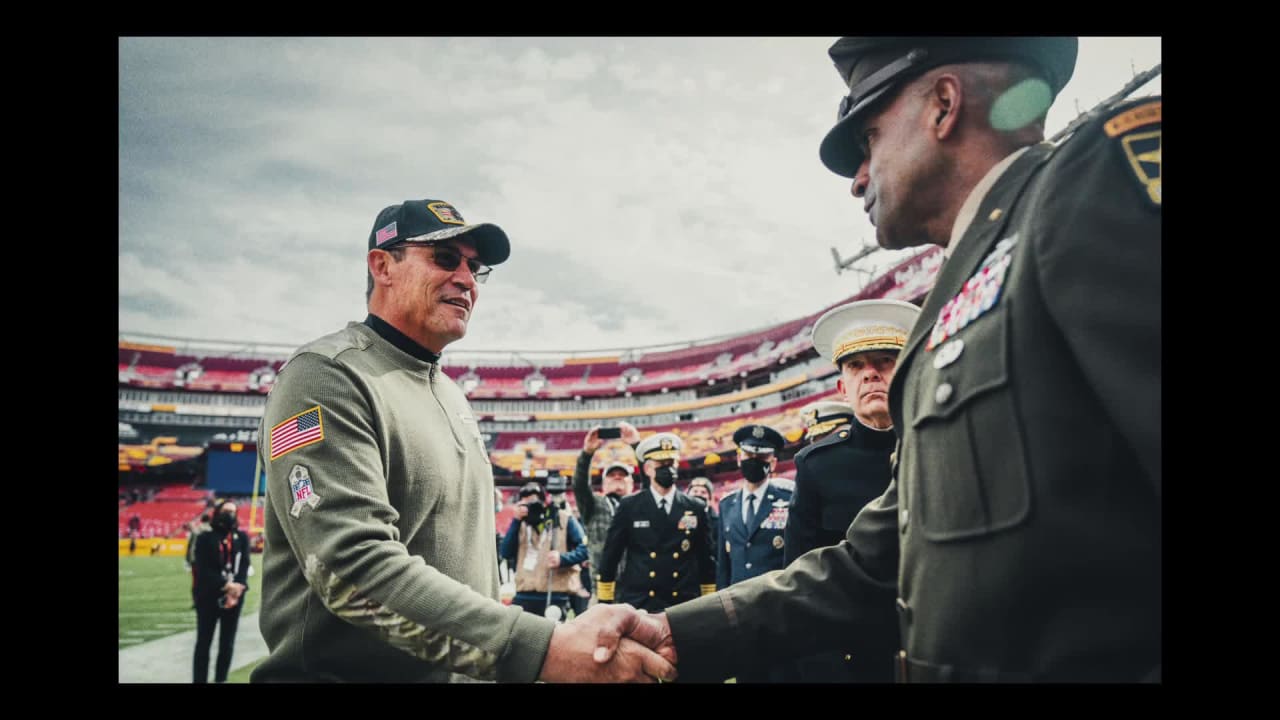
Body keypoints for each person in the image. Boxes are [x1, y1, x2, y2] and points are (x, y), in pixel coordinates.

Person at [598, 36, 1161, 683]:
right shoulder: (953, 301)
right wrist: (677, 632)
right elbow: (880, 561)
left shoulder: (1093, 187)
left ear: (943, 106)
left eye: (866, 140)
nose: (858, 179)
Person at [251, 198, 674, 683]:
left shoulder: (451, 394)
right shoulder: (327, 377)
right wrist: (541, 648)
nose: (468, 280)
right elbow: (350, 566)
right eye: (445, 259)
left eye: (476, 268)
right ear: (382, 265)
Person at [782, 300, 920, 682]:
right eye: (857, 366)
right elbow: (799, 577)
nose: (870, 374)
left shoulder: (942, 444)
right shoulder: (817, 466)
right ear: (844, 387)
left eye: (884, 361)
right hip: (853, 661)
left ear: (909, 372)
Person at [596, 432, 715, 613]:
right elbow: (611, 556)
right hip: (641, 603)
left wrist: (708, 600)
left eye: (671, 463)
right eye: (661, 464)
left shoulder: (695, 507)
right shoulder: (630, 506)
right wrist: (605, 600)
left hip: (683, 603)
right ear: (648, 469)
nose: (668, 469)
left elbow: (706, 559)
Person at [713, 424, 792, 683]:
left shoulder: (789, 498)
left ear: (773, 462)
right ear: (739, 457)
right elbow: (724, 565)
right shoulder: (727, 504)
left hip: (777, 611)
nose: (754, 462)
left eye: (761, 458)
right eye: (749, 456)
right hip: (739, 616)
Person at [571, 423, 641, 604]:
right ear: (603, 485)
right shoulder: (594, 504)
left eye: (623, 475)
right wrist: (587, 454)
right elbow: (579, 486)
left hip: (636, 589)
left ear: (632, 484)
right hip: (602, 590)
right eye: (612, 475)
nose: (617, 477)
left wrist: (636, 446)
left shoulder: (641, 504)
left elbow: (652, 479)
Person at [500, 482, 589, 622]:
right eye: (526, 503)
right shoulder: (519, 523)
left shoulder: (563, 518)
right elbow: (505, 552)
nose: (531, 507)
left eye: (534, 502)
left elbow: (586, 548)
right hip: (524, 592)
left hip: (554, 592)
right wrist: (516, 521)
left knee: (553, 641)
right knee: (521, 641)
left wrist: (563, 559)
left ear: (544, 502)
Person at [192, 500, 250, 683]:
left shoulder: (241, 538)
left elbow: (244, 566)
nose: (229, 515)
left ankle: (221, 680)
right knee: (204, 642)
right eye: (225, 511)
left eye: (232, 512)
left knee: (227, 643)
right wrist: (226, 585)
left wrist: (237, 589)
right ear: (217, 512)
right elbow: (203, 569)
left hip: (235, 597)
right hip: (208, 596)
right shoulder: (205, 538)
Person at [685, 476, 718, 562]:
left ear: (710, 499)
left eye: (703, 492)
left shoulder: (719, 521)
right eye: (695, 491)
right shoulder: (681, 519)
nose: (698, 494)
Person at [185, 512, 213, 608]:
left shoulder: (196, 530)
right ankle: (208, 601)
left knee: (196, 582)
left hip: (195, 559)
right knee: (208, 581)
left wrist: (188, 559)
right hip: (208, 560)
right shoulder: (211, 530)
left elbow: (190, 545)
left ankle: (196, 602)